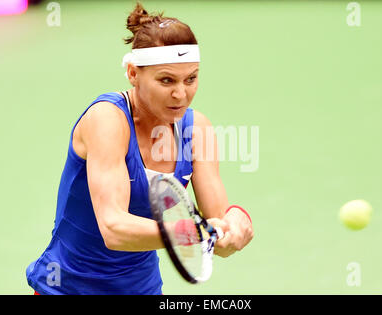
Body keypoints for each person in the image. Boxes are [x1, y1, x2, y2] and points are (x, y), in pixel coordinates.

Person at [26, 2, 253, 295]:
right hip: (65, 290)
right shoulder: (107, 119)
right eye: (166, 80)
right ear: (133, 74)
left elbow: (218, 231)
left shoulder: (197, 130)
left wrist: (235, 221)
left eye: (191, 79)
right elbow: (114, 229)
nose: (180, 94)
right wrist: (189, 232)